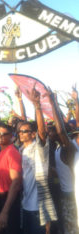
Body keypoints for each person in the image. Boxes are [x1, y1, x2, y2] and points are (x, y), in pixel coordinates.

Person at [18, 85, 57, 234]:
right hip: (25, 205)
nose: (21, 133)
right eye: (20, 131)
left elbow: (42, 132)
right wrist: (20, 100)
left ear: (32, 134)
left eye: (25, 131)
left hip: (38, 208)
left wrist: (37, 106)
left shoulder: (38, 148)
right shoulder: (21, 150)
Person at [46, 88, 79, 233]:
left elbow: (60, 131)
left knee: (72, 229)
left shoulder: (70, 148)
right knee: (66, 227)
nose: (52, 132)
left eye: (56, 130)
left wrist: (53, 103)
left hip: (72, 196)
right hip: (64, 194)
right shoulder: (59, 148)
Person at [0, 122, 22, 234]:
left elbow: (16, 183)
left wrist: (5, 211)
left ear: (11, 136)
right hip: (2, 198)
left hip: (9, 200)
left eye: (4, 134)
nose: (0, 136)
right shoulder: (2, 150)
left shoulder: (12, 152)